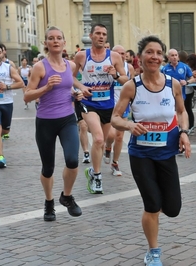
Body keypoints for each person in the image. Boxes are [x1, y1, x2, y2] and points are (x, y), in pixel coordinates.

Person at [111, 35, 191, 266]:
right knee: (152, 204)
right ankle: (153, 251)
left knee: (173, 209)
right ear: (140, 57)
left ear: (162, 57)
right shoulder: (131, 87)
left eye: (158, 53)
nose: (154, 56)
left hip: (166, 154)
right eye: (149, 52)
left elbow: (182, 111)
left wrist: (184, 133)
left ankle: (155, 213)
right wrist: (129, 125)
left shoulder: (172, 84)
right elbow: (116, 117)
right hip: (142, 155)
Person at [23, 26, 83, 221]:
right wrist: (46, 87)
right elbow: (27, 96)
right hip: (46, 122)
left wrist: (77, 94)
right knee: (48, 167)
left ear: (64, 42)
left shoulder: (71, 65)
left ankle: (66, 196)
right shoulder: (40, 67)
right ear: (46, 43)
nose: (55, 41)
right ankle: (49, 203)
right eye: (51, 38)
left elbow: (69, 88)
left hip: (67, 119)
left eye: (59, 38)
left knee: (73, 160)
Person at [73, 23, 128, 194]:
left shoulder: (115, 57)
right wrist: (81, 88)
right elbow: (71, 77)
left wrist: (116, 75)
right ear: (91, 36)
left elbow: (126, 80)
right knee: (97, 139)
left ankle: (92, 170)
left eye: (104, 34)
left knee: (102, 142)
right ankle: (97, 176)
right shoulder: (82, 56)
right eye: (98, 33)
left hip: (108, 105)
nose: (101, 36)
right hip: (89, 104)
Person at [0, 43, 24, 167]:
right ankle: (1, 157)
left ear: (3, 53)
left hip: (6, 103)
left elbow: (21, 83)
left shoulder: (9, 68)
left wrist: (7, 87)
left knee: (5, 130)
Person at [103, 44, 135, 176]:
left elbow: (132, 85)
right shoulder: (106, 66)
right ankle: (108, 147)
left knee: (120, 136)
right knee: (110, 135)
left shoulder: (129, 68)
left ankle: (115, 163)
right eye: (118, 53)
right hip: (109, 105)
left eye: (123, 54)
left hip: (123, 105)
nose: (121, 56)